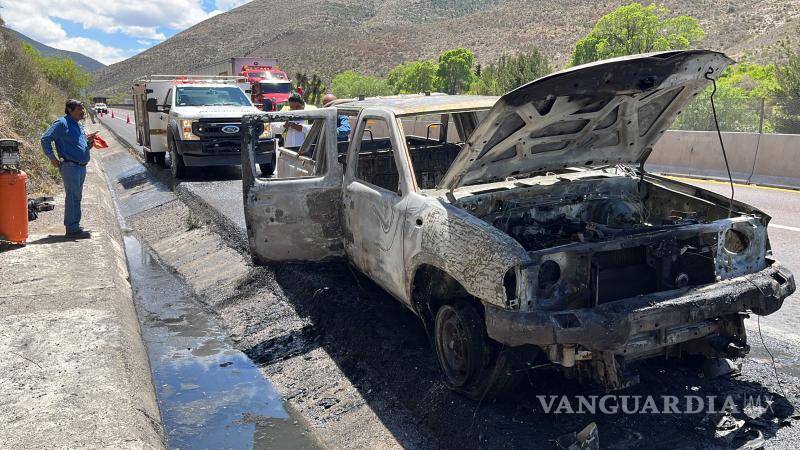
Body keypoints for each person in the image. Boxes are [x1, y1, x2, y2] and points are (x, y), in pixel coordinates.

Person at [41, 99, 96, 238]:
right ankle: (72, 229)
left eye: (82, 109)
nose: (82, 111)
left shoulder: (78, 125)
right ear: (70, 110)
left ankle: (75, 225)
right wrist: (52, 158)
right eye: (79, 109)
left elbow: (80, 145)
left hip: (80, 167)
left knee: (77, 197)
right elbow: (45, 139)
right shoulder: (62, 123)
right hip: (70, 167)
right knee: (72, 197)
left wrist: (89, 143)